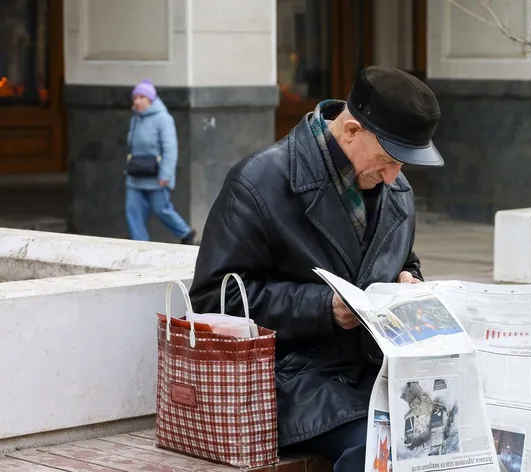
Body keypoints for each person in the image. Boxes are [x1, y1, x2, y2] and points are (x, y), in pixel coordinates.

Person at [188, 66, 444, 471]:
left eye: (404, 164)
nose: (394, 176)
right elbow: (214, 298)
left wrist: (409, 284)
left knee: (453, 429)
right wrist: (325, 308)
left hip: (377, 371)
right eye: (387, 159)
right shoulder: (258, 182)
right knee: (382, 448)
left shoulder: (394, 187)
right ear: (351, 131)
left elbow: (404, 260)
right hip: (292, 378)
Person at [125, 80, 196, 243]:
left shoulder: (163, 119)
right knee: (133, 211)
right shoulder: (135, 119)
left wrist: (165, 174)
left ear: (151, 99)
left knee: (161, 209)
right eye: (135, 98)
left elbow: (170, 148)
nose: (137, 101)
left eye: (141, 97)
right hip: (135, 175)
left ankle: (185, 233)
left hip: (156, 175)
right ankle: (140, 244)